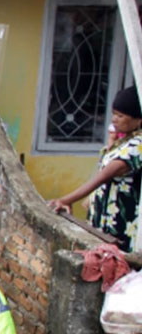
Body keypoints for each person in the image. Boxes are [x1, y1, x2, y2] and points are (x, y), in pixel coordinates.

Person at [47, 86, 142, 251]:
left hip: (119, 226)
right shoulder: (125, 141)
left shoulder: (138, 145)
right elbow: (106, 165)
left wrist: (66, 200)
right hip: (102, 223)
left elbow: (105, 175)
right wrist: (111, 141)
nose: (114, 119)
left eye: (120, 115)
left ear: (138, 120)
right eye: (113, 113)